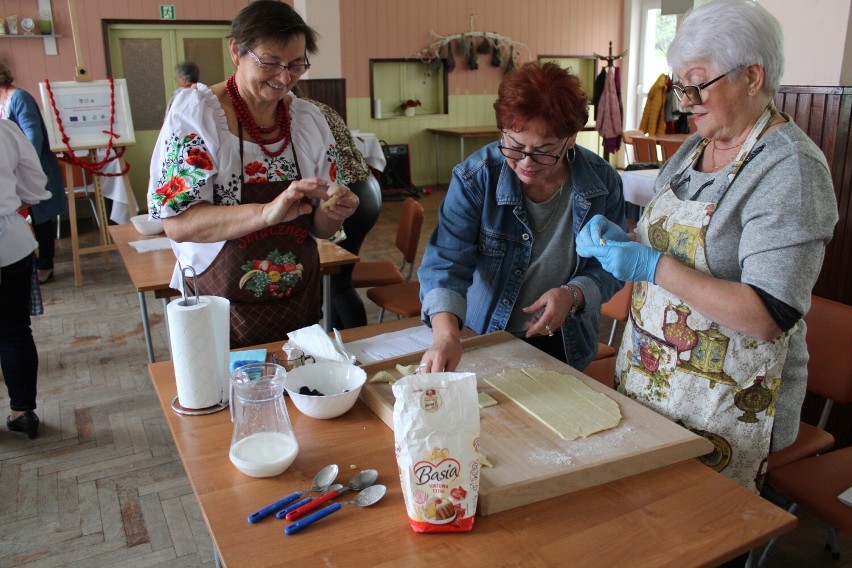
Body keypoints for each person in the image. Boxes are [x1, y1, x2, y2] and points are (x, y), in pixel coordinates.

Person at [576, 0, 838, 495]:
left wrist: (653, 266)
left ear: (753, 76)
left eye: (697, 84)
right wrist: (624, 242)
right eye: (680, 85)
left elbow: (768, 312)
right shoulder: (694, 149)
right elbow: (675, 250)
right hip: (656, 384)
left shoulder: (790, 170)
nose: (685, 101)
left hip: (726, 405)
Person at [148, 0, 359, 348]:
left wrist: (333, 212)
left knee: (299, 391)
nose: (283, 77)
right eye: (271, 62)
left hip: (296, 299)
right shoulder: (198, 117)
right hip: (220, 303)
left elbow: (320, 229)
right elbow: (178, 223)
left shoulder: (309, 121)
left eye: (295, 65)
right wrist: (265, 213)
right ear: (236, 50)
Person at [417, 62, 626, 373]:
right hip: (484, 334)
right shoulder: (477, 178)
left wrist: (573, 294)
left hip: (565, 341)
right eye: (514, 146)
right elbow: (446, 262)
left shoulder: (601, 184)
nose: (526, 163)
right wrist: (446, 335)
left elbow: (611, 266)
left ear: (570, 138)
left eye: (544, 151)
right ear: (502, 130)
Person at [293, 91, 382, 329]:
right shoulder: (318, 104)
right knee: (333, 281)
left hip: (346, 190)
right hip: (367, 186)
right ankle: (338, 338)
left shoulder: (298, 112)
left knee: (337, 281)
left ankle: (357, 342)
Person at [0, 118, 52, 439]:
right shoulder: (4, 129)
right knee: (14, 327)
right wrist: (17, 201)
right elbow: (35, 180)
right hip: (9, 241)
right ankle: (23, 412)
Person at [0, 59, 68, 284]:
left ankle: (45, 264)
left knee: (41, 217)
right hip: (15, 168)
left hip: (33, 166)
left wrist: (17, 165)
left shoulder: (18, 97)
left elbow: (33, 134)